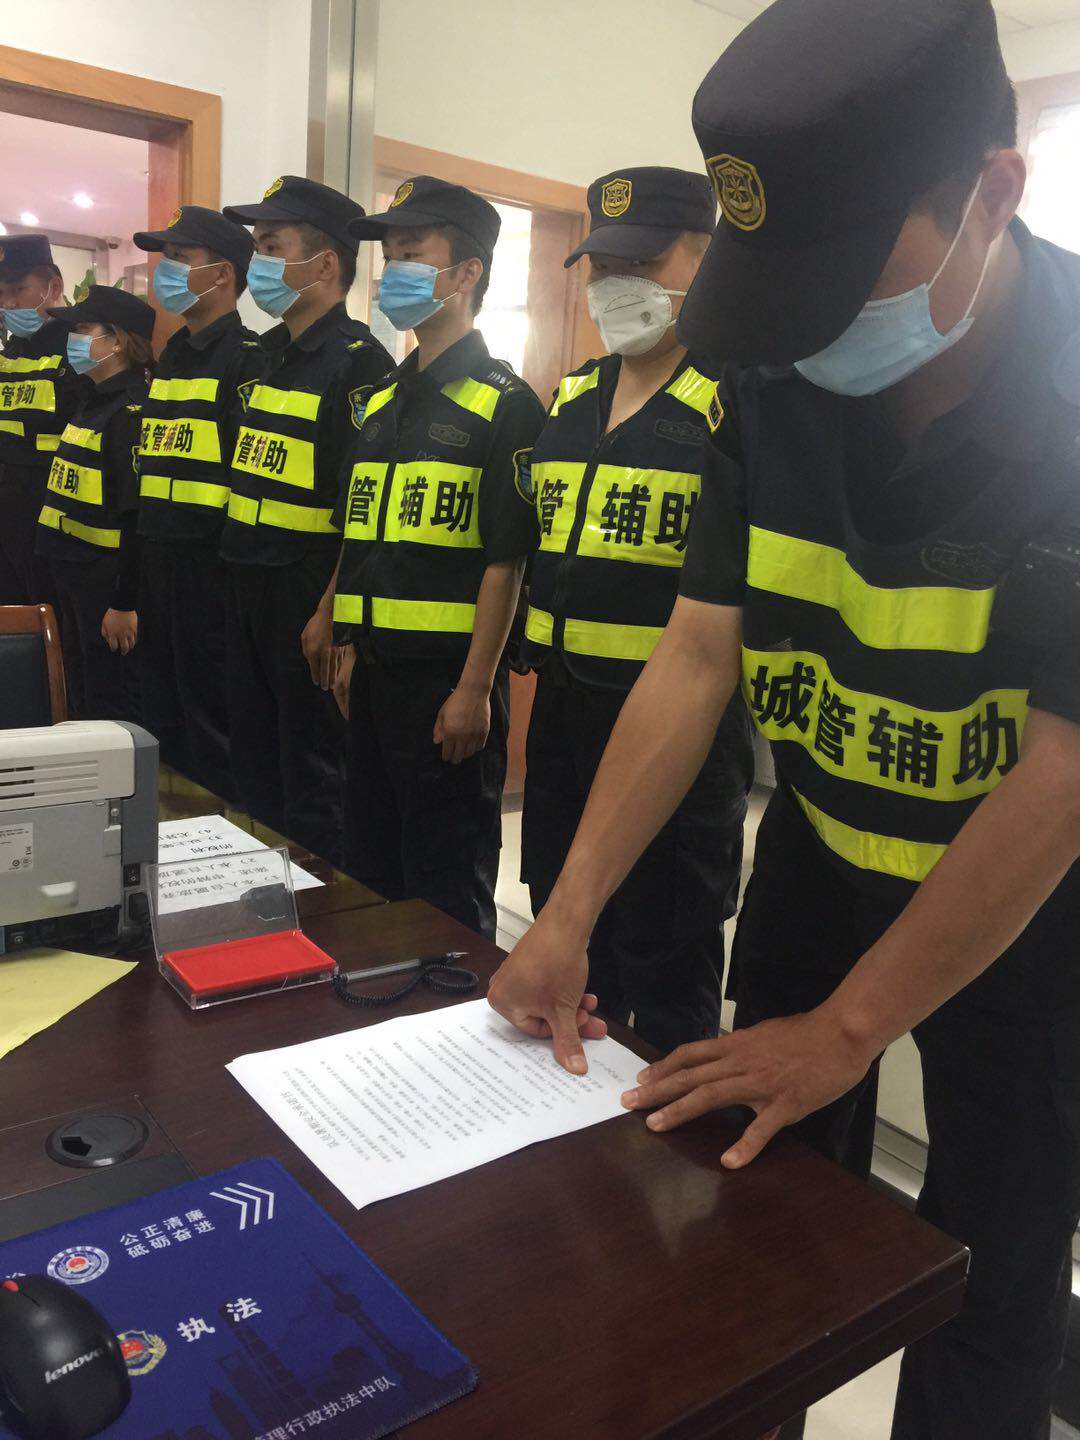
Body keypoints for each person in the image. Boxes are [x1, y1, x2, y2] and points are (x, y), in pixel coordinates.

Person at [487, 2, 1080, 1437]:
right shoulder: (774, 362)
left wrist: (854, 1027)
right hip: (819, 852)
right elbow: (699, 653)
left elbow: (1067, 770)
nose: (811, 328)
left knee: (989, 1279)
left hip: (1033, 909)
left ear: (993, 193)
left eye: (843, 272)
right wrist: (565, 910)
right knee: (757, 1221)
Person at [520, 166, 753, 1053]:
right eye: (603, 265)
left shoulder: (736, 401)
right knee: (564, 932)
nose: (617, 286)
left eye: (643, 264)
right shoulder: (574, 396)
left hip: (675, 735)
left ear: (707, 258)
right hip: (564, 715)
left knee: (665, 959)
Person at [322, 176, 545, 938]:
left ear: (467, 272)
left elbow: (506, 564)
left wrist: (475, 689)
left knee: (444, 885)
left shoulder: (505, 404)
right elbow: (362, 536)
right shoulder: (382, 400)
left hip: (445, 684)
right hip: (374, 674)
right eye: (390, 257)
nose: (394, 272)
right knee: (371, 867)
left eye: (413, 255)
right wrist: (347, 642)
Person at [218, 176, 392, 864]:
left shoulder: (359, 365)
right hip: (245, 582)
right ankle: (259, 899)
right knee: (253, 759)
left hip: (305, 591)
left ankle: (317, 914)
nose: (258, 261)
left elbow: (362, 509)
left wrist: (331, 613)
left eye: (271, 246)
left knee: (312, 773)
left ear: (324, 265)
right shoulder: (262, 357)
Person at [132, 205, 261, 795]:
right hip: (159, 560)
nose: (167, 271)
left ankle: (214, 832)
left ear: (223, 274)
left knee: (213, 724)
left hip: (211, 571)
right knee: (161, 715)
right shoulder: (174, 353)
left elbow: (245, 478)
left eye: (181, 258)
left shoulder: (246, 358)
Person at [34, 287, 154, 722]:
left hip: (104, 582)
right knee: (83, 692)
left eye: (83, 329)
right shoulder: (93, 401)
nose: (73, 340)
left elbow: (136, 518)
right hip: (74, 573)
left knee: (111, 703)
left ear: (117, 340)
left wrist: (124, 602)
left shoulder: (128, 412)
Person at [0, 234, 86, 605]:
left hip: (56, 512)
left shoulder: (81, 348)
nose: (8, 303)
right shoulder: (12, 349)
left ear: (54, 287)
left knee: (53, 615)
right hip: (9, 511)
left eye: (18, 290)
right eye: (1, 293)